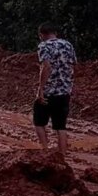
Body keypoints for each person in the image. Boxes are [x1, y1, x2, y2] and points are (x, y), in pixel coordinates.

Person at [33, 22, 77, 155]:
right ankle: (62, 155)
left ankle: (45, 150)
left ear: (41, 35)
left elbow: (46, 67)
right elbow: (74, 66)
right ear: (55, 33)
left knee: (39, 122)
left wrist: (41, 88)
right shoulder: (67, 45)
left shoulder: (43, 46)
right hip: (64, 91)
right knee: (60, 126)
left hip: (49, 91)